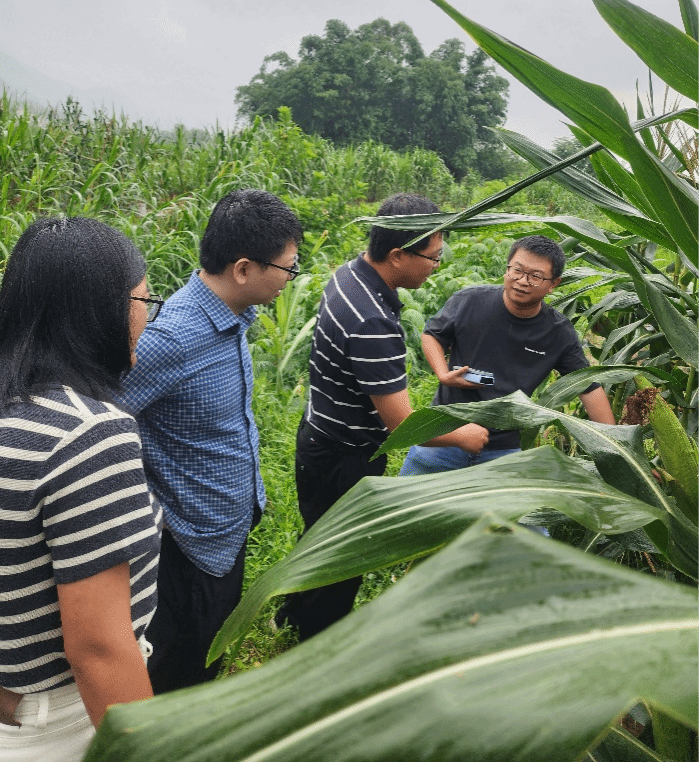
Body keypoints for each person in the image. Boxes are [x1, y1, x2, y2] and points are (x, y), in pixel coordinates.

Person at [275, 192, 489, 642]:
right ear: (397, 255)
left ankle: (292, 615)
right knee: (343, 557)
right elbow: (403, 426)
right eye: (433, 256)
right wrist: (463, 434)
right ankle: (319, 645)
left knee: (319, 537)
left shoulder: (348, 274)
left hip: (319, 433)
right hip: (344, 456)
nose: (437, 265)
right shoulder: (373, 321)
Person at [116, 188, 303, 693]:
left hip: (224, 526)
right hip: (187, 542)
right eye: (288, 267)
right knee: (180, 667)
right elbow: (102, 420)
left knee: (210, 651)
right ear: (243, 269)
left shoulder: (233, 316)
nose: (291, 277)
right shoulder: (174, 338)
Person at [0, 217, 161, 762]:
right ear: (101, 312)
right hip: (62, 724)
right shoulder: (89, 435)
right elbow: (98, 649)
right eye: (144, 300)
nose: (148, 317)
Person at [399, 234, 615, 477]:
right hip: (444, 437)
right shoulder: (470, 301)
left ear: (553, 283)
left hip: (503, 452)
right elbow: (432, 335)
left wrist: (616, 448)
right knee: (404, 501)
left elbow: (588, 387)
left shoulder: (558, 332)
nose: (522, 281)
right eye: (517, 270)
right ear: (507, 269)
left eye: (535, 276)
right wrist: (442, 373)